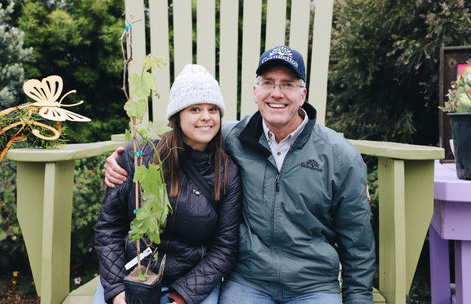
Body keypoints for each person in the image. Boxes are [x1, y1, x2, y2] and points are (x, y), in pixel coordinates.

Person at [104, 46, 376, 304]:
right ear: (255, 91)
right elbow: (183, 132)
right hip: (249, 281)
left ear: (302, 94)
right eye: (268, 83)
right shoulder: (231, 137)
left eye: (288, 84)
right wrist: (122, 159)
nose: (277, 93)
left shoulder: (339, 156)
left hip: (313, 285)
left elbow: (358, 241)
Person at [94, 64, 242, 304]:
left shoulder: (227, 173)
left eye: (213, 109)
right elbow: (108, 229)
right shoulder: (139, 156)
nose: (206, 117)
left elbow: (224, 248)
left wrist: (183, 297)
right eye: (195, 108)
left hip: (192, 281)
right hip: (132, 275)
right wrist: (117, 292)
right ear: (177, 115)